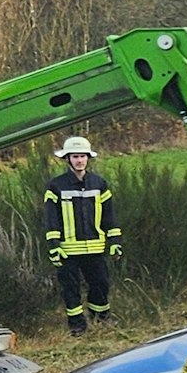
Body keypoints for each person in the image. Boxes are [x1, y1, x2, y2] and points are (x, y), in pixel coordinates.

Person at [42, 136, 121, 336]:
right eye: (75, 156)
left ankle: (101, 319)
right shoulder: (56, 186)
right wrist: (54, 246)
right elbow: (51, 219)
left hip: (95, 247)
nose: (79, 160)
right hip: (68, 250)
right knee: (71, 288)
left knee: (101, 284)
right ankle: (77, 325)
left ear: (88, 158)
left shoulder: (99, 184)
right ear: (67, 159)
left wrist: (114, 242)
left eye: (83, 156)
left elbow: (109, 216)